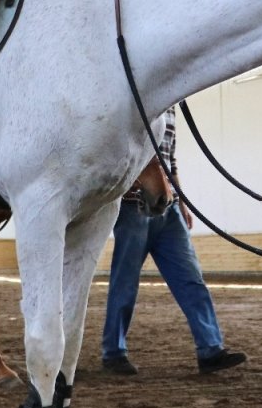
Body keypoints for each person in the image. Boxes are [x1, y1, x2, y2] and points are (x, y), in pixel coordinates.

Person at [100, 109, 247, 376]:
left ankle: (210, 348)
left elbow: (171, 160)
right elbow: (115, 151)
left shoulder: (173, 108)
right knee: (125, 282)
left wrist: (182, 203)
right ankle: (113, 350)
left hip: (169, 209)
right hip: (135, 208)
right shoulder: (131, 102)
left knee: (191, 278)